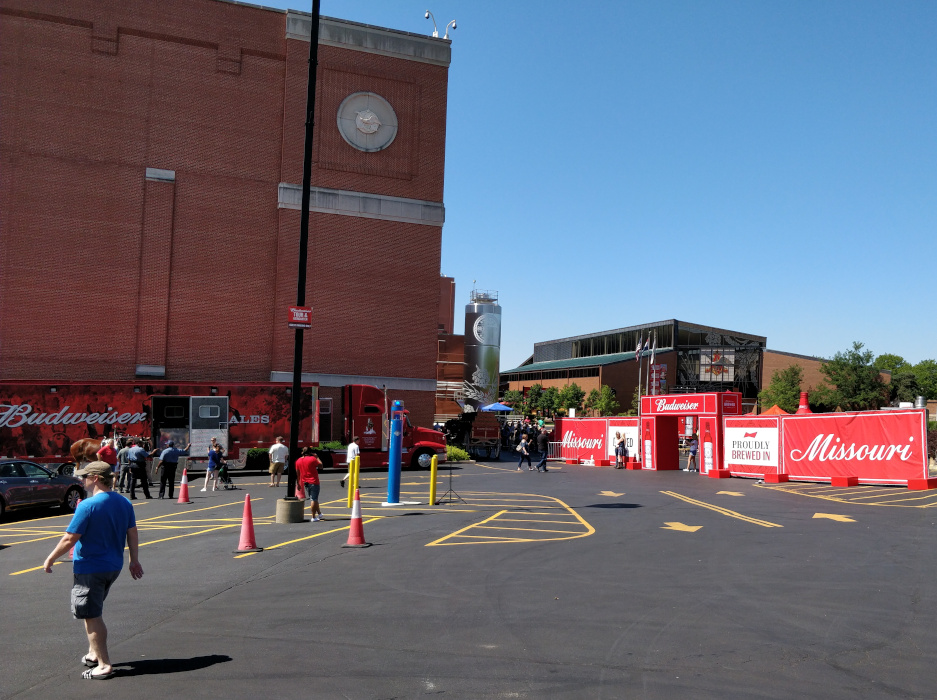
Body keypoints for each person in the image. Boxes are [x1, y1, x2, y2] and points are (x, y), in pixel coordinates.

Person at [42, 461, 143, 680]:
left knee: (91, 615)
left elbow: (70, 537)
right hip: (112, 566)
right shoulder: (124, 503)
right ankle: (93, 653)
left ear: (96, 478)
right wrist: (133, 560)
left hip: (91, 568)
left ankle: (104, 664)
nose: (82, 480)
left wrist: (50, 558)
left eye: (85, 476)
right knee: (93, 609)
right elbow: (132, 533)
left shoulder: (87, 506)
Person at [295, 446, 323, 521]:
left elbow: (298, 473)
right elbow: (321, 466)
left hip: (305, 482)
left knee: (313, 498)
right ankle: (313, 517)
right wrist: (317, 457)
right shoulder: (312, 459)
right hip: (314, 481)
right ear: (310, 452)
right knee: (313, 499)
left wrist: (298, 483)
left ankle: (319, 513)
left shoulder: (298, 461)